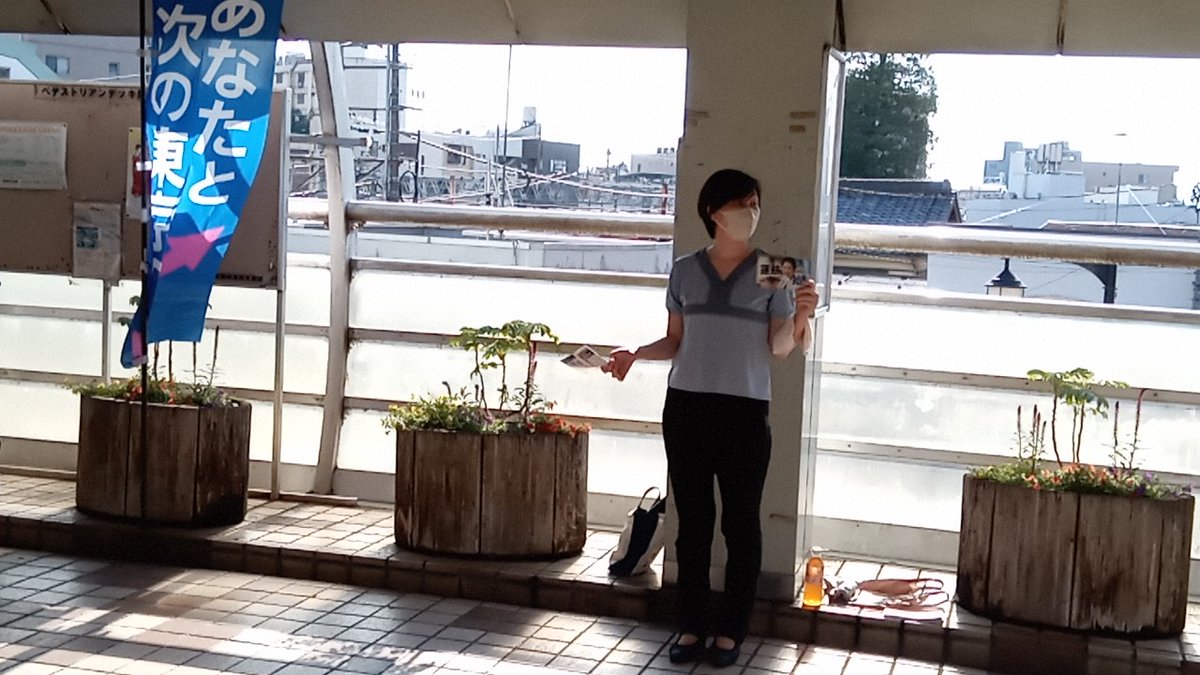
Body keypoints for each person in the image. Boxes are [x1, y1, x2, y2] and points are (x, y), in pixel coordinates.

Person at [602, 168, 819, 668]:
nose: (751, 212)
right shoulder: (685, 270)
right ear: (714, 213)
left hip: (745, 411)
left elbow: (778, 347)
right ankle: (691, 624)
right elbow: (675, 339)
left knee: (742, 523)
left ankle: (732, 629)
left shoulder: (771, 270)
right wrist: (635, 353)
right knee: (693, 522)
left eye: (755, 202)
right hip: (687, 407)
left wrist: (801, 318)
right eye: (742, 204)